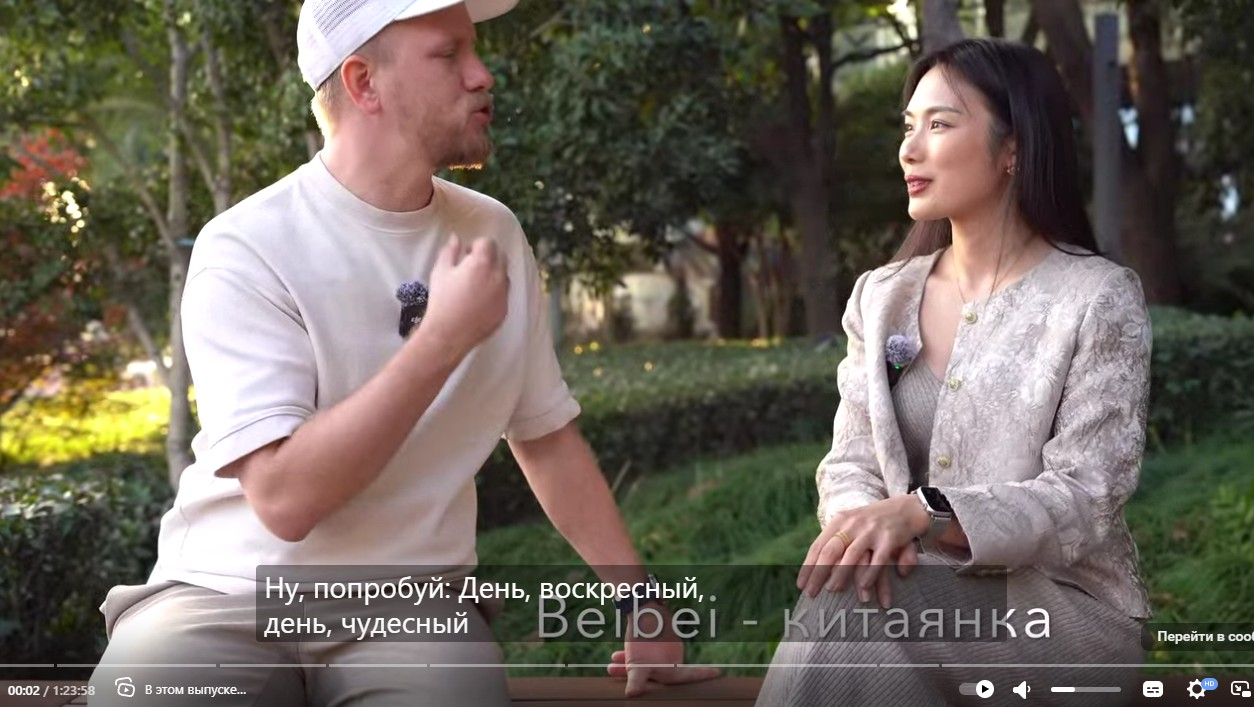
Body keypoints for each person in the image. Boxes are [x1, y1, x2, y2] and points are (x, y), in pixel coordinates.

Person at [87, 1, 718, 704]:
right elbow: (285, 499)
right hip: (222, 595)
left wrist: (641, 602)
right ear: (363, 82)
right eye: (448, 55)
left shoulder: (493, 233)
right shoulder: (246, 246)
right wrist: (442, 337)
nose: (483, 75)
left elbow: (543, 435)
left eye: (473, 50)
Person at [757, 38, 1152, 706]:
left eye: (938, 124)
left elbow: (1086, 494)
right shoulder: (880, 298)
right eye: (907, 127)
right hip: (905, 591)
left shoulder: (1095, 298)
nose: (909, 150)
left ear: (1013, 147)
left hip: (1057, 613)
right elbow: (850, 461)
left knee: (862, 604)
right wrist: (866, 531)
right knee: (861, 594)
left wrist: (925, 514)